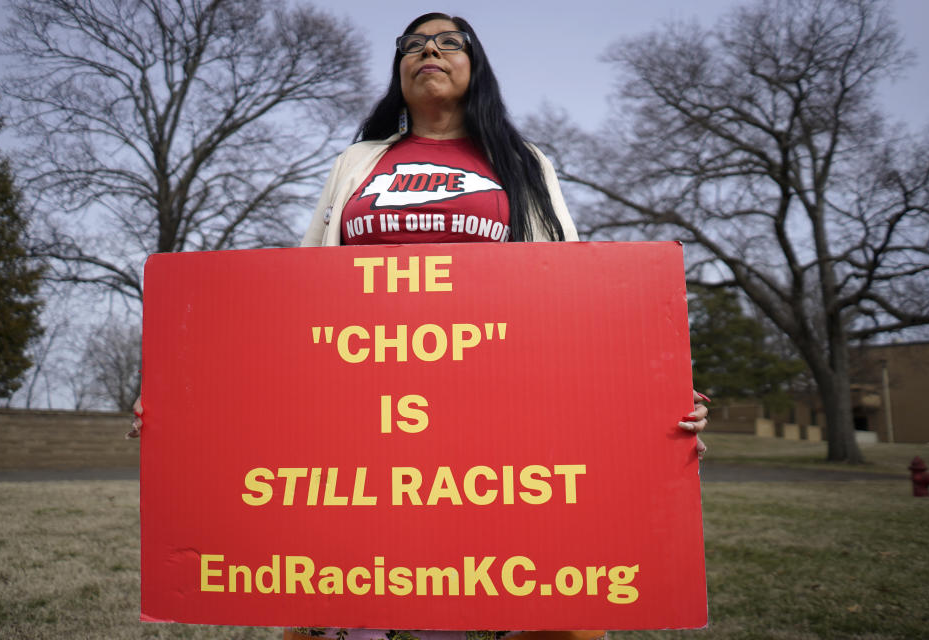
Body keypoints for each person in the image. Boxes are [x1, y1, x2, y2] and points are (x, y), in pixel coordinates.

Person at [129, 13, 708, 640]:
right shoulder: (357, 162)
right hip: (358, 396)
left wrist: (650, 405)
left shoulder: (524, 163)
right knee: (343, 579)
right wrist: (188, 404)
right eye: (413, 45)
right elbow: (293, 298)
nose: (428, 51)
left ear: (475, 64)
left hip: (490, 396)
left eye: (447, 42)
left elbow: (569, 294)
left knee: (532, 584)